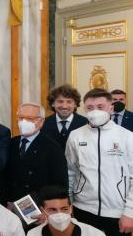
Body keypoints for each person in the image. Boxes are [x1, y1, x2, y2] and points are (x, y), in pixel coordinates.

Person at [66, 88, 133, 235]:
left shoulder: (127, 137)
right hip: (83, 208)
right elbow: (70, 171)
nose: (94, 111)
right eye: (90, 107)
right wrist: (68, 205)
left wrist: (130, 212)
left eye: (100, 107)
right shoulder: (75, 136)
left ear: (111, 108)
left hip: (117, 211)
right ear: (84, 109)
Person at [4, 103, 68, 204]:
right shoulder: (12, 142)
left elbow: (59, 184)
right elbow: (6, 177)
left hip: (38, 205)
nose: (24, 122)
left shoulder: (52, 147)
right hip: (12, 204)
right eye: (21, 118)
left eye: (30, 118)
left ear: (41, 121)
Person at [27, 185, 104, 236]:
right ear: (42, 210)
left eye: (64, 209)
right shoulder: (32, 234)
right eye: (52, 210)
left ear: (71, 208)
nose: (59, 214)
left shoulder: (94, 234)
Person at [41, 84, 88, 150]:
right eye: (60, 101)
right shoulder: (43, 124)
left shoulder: (85, 123)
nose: (64, 106)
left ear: (75, 104)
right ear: (53, 104)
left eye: (69, 102)